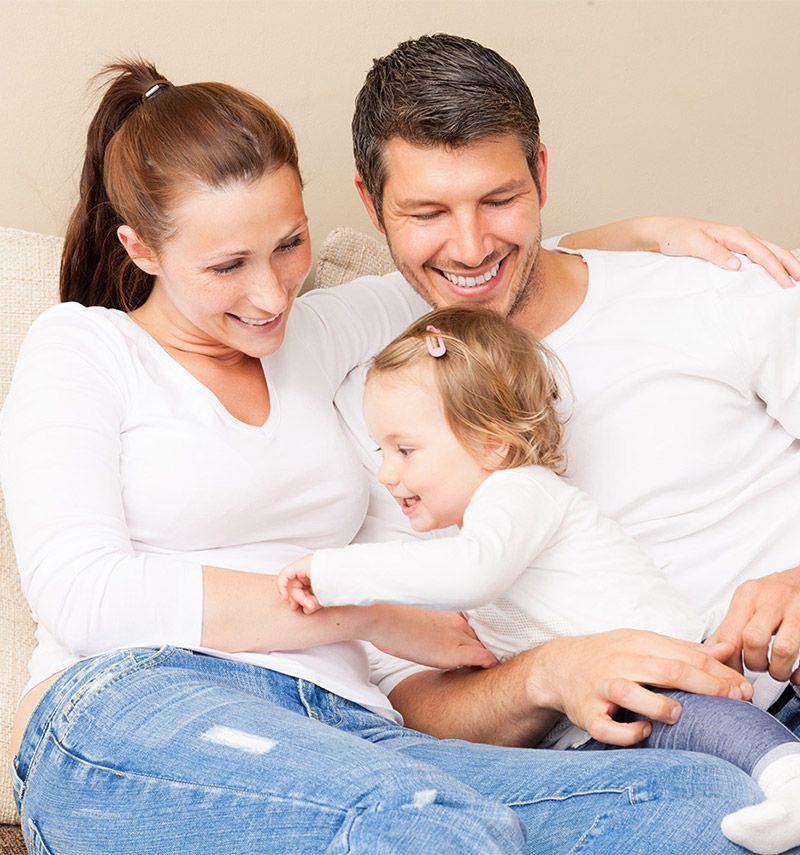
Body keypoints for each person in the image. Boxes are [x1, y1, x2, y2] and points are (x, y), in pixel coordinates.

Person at [0, 59, 787, 854]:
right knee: (423, 825)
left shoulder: (329, 333)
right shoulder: (86, 347)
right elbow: (83, 591)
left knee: (707, 798)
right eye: (227, 267)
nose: (272, 294)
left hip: (354, 732)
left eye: (289, 244)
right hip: (148, 698)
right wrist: (374, 614)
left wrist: (656, 235)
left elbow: (496, 266)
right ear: (140, 250)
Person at [327, 31, 800, 851]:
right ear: (372, 209)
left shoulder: (709, 290)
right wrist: (550, 674)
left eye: (499, 199)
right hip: (656, 762)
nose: (470, 247)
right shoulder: (382, 415)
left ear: (542, 174)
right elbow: (416, 697)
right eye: (428, 213)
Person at [280, 305, 800, 854]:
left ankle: (789, 778)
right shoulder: (471, 537)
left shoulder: (517, 493)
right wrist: (370, 622)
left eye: (405, 449)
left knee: (696, 719)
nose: (387, 472)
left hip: (660, 665)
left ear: (492, 444)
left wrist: (334, 571)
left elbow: (471, 577)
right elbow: (459, 627)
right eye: (380, 449)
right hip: (598, 715)